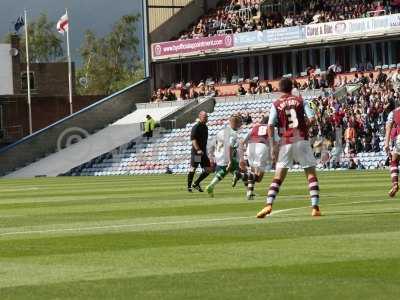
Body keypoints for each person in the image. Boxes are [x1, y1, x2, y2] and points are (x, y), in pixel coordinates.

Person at [256, 78, 322, 218]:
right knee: (310, 174)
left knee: (278, 176)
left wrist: (273, 145)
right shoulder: (300, 101)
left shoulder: (276, 104)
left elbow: (270, 125)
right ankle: (315, 207)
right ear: (292, 88)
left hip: (286, 141)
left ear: (280, 89)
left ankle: (268, 205)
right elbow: (312, 119)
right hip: (301, 139)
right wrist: (304, 128)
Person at [233, 116, 276, 200]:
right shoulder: (271, 128)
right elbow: (276, 142)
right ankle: (240, 175)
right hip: (262, 147)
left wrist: (241, 158)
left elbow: (242, 142)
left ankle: (249, 193)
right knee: (259, 178)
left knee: (252, 173)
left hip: (251, 147)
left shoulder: (254, 127)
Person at [206, 115, 242, 197]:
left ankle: (211, 186)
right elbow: (230, 146)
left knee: (224, 171)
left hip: (219, 155)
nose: (241, 125)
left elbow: (212, 143)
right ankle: (248, 188)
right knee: (237, 169)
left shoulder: (222, 131)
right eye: (240, 122)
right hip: (226, 155)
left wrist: (211, 155)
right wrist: (230, 161)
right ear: (236, 123)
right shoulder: (233, 134)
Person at [187, 111, 212, 192]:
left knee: (208, 170)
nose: (206, 118)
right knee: (193, 168)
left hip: (203, 153)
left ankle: (196, 183)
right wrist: (198, 150)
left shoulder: (205, 127)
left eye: (207, 117)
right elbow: (193, 140)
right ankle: (189, 186)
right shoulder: (196, 127)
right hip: (197, 153)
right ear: (200, 117)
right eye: (205, 117)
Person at [384, 105, 400, 197]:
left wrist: (386, 144)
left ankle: (395, 184)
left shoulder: (393, 113)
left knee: (394, 161)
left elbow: (388, 128)